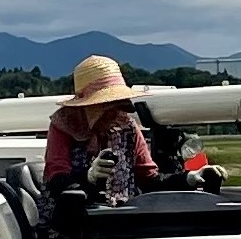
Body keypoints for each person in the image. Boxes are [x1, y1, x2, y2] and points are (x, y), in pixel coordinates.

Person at [44, 55, 158, 204]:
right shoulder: (64, 125)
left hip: (125, 214)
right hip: (76, 215)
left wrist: (187, 179)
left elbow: (148, 177)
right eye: (104, 104)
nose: (112, 111)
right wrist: (89, 176)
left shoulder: (128, 126)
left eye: (116, 103)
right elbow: (56, 181)